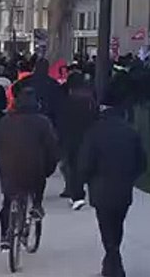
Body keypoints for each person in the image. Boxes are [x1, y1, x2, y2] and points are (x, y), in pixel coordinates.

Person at [79, 80, 148, 277]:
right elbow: (142, 163)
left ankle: (112, 259)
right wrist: (130, 176)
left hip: (100, 187)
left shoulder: (94, 132)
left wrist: (84, 180)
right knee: (117, 224)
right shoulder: (130, 132)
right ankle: (112, 258)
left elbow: (86, 161)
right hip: (123, 188)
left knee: (106, 225)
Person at [0, 87, 61, 251]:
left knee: (8, 201)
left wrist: (2, 162)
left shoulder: (6, 121)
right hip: (34, 167)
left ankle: (5, 236)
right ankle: (37, 206)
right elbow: (52, 147)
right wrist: (49, 167)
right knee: (37, 184)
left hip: (10, 167)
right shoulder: (42, 122)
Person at [57, 71, 98, 210]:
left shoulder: (67, 101)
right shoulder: (90, 100)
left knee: (73, 167)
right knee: (91, 166)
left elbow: (62, 121)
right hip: (89, 137)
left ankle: (77, 195)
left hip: (72, 138)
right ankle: (91, 193)